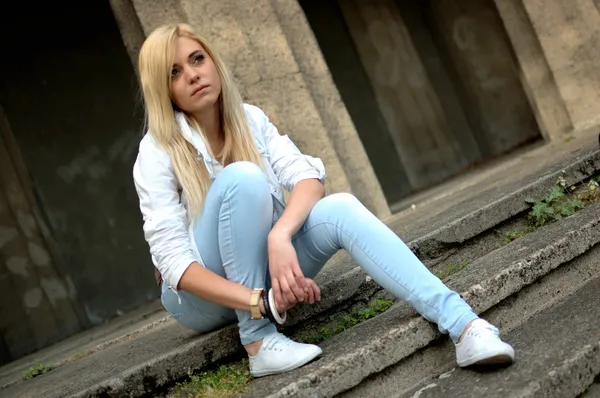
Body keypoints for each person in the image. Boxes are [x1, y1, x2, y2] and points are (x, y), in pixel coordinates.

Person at [133, 23, 515, 378]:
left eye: (197, 59)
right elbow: (175, 265)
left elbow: (308, 178)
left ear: (213, 61)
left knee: (340, 208)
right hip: (200, 299)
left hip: (266, 273)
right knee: (243, 178)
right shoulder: (157, 151)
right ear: (163, 90)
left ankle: (465, 325)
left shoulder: (249, 119)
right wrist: (261, 302)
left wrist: (280, 236)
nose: (193, 74)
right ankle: (259, 339)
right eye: (174, 72)